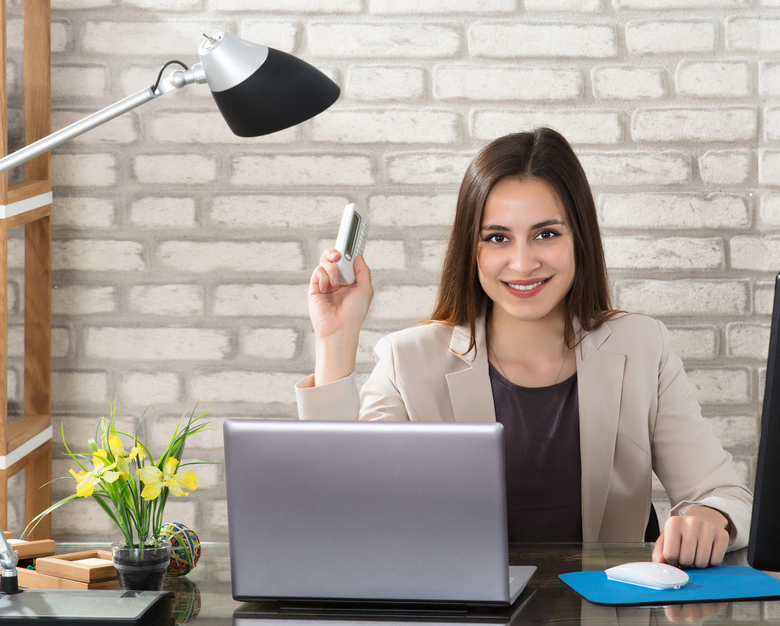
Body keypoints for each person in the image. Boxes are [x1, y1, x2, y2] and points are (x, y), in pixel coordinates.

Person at [299, 128, 753, 568]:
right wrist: (335, 339)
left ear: (580, 240)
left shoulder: (643, 346)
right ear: (471, 250)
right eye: (497, 238)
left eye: (547, 234)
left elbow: (726, 495)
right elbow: (340, 516)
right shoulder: (407, 361)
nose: (522, 262)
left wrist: (709, 517)